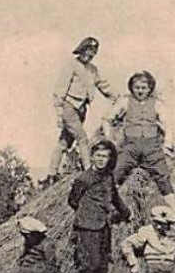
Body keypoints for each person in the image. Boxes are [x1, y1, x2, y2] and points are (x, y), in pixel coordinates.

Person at [63, 138, 130, 273]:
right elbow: (72, 200)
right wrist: (87, 213)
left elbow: (114, 197)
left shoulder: (108, 177)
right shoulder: (83, 179)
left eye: (105, 156)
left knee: (100, 263)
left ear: (110, 159)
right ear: (92, 156)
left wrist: (125, 212)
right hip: (86, 226)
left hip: (102, 226)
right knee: (89, 264)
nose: (101, 159)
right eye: (98, 155)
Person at [45, 36, 120, 185]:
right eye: (88, 50)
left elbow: (102, 85)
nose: (90, 54)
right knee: (82, 138)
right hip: (69, 106)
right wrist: (59, 113)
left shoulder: (93, 70)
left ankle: (51, 174)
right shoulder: (71, 65)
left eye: (93, 52)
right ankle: (88, 171)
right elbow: (60, 90)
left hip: (81, 109)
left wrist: (116, 97)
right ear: (82, 49)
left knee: (64, 142)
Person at [108, 71, 175, 218]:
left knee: (162, 174)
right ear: (131, 88)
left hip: (151, 145)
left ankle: (174, 212)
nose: (140, 91)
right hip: (130, 144)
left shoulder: (158, 104)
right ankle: (108, 205)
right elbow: (108, 118)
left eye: (144, 88)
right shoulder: (124, 102)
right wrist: (112, 141)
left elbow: (168, 125)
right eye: (137, 87)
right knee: (117, 170)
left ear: (150, 89)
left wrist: (167, 145)